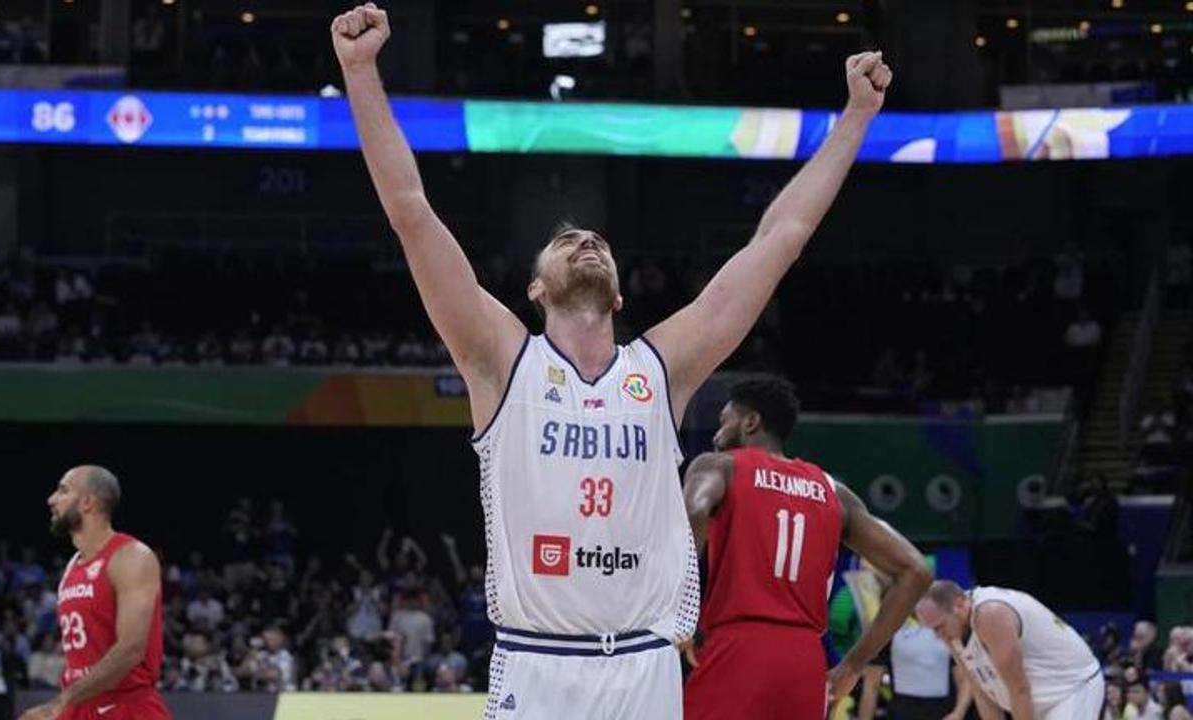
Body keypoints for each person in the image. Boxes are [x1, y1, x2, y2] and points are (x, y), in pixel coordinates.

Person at [329, 3, 892, 717]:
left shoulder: (660, 369)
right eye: (564, 242)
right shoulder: (502, 360)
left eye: (595, 239)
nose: (584, 239)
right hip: (537, 661)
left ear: (621, 292)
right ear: (536, 289)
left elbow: (781, 237)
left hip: (643, 663)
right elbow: (411, 211)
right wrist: (359, 72)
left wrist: (855, 117)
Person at [681, 378, 932, 719]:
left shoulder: (719, 466)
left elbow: (693, 512)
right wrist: (854, 665)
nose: (716, 434)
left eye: (724, 421)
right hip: (806, 660)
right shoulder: (833, 490)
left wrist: (681, 614)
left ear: (750, 422)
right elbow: (916, 570)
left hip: (738, 648)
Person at [19, 466, 170, 720]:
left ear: (87, 502)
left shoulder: (131, 556)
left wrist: (61, 701)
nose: (51, 499)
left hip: (125, 707)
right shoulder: (71, 567)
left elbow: (131, 649)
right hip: (80, 704)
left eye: (63, 490)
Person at [916, 580, 1103, 720]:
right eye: (932, 629)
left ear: (958, 605)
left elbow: (1019, 687)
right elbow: (981, 691)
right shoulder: (953, 631)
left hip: (1071, 690)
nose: (937, 636)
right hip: (1034, 703)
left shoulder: (991, 614)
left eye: (939, 627)